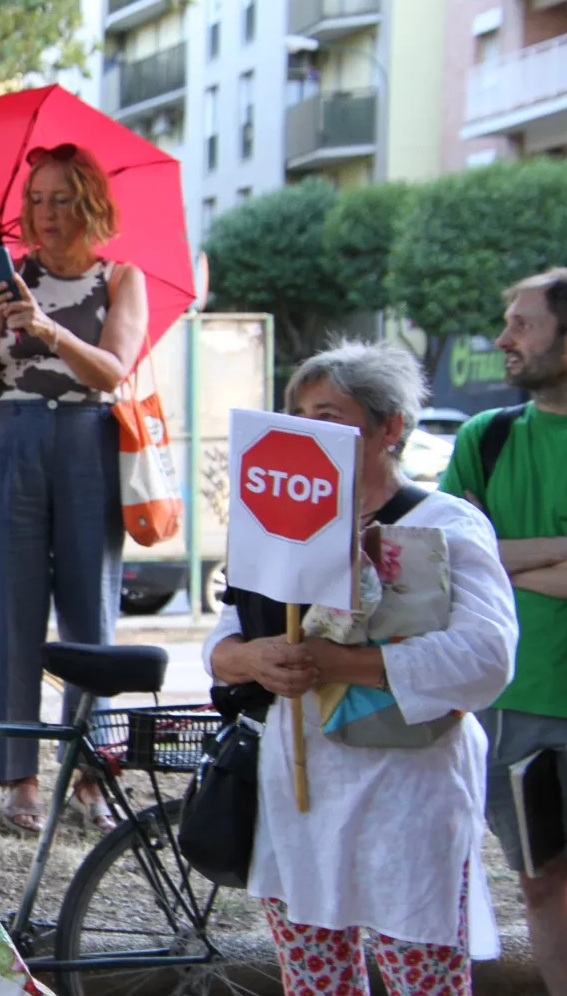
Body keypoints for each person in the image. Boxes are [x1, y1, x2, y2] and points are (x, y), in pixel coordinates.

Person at [205, 341, 517, 996]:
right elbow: (225, 643)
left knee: (421, 979)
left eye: (328, 413)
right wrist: (255, 659)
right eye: (299, 413)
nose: (308, 429)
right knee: (315, 981)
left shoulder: (447, 523)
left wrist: (342, 662)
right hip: (300, 794)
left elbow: (487, 657)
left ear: (390, 428)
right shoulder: (276, 526)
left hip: (410, 795)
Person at [0, 142, 148, 835]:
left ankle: (93, 770)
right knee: (10, 612)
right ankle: (20, 776)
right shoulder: (5, 279)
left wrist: (43, 328)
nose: (45, 213)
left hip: (88, 441)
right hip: (10, 439)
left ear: (90, 203)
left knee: (90, 614)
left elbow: (113, 371)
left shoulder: (120, 279)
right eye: (36, 199)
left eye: (61, 198)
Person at [440, 270, 567, 995]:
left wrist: (502, 556)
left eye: (522, 324)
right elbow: (451, 562)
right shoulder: (484, 439)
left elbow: (481, 556)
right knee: (543, 888)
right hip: (514, 706)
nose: (503, 339)